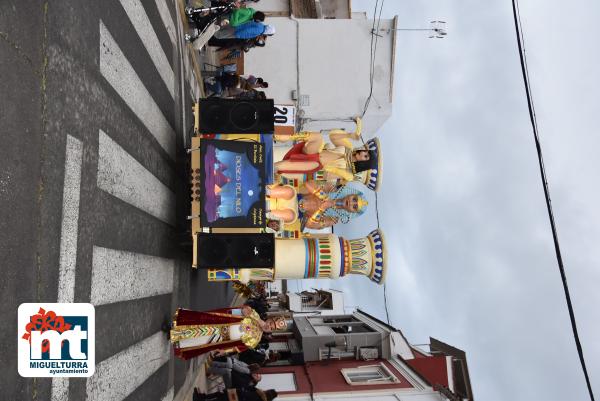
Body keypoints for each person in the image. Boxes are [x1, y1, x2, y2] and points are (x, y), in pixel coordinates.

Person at [273, 118, 379, 183]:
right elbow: (333, 136)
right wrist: (349, 135)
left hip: (315, 164)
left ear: (365, 163)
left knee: (278, 166)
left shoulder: (348, 173)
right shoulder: (348, 148)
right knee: (318, 136)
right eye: (366, 152)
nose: (364, 153)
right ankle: (284, 137)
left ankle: (269, 169)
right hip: (314, 152)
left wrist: (342, 174)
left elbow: (327, 175)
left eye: (366, 156)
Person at [169, 305, 271, 360]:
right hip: (223, 322)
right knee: (200, 324)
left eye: (271, 328)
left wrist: (224, 351)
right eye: (271, 324)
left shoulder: (256, 340)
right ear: (269, 320)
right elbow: (240, 310)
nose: (269, 327)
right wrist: (246, 313)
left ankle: (178, 338)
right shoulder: (255, 315)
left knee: (201, 340)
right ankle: (176, 327)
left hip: (224, 339)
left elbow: (238, 348)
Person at [267, 182, 368, 230]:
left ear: (351, 212)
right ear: (351, 194)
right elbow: (308, 184)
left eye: (354, 207)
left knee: (290, 216)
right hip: (294, 197)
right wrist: (324, 196)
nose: (351, 203)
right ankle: (264, 192)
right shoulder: (331, 189)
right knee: (288, 191)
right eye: (354, 199)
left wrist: (322, 209)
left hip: (295, 213)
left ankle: (264, 211)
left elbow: (309, 225)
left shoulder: (332, 219)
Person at [194, 387, 278, 401]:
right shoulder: (259, 392)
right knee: (218, 396)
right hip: (235, 395)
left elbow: (246, 389)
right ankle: (201, 397)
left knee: (218, 396)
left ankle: (200, 398)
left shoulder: (258, 392)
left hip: (235, 396)